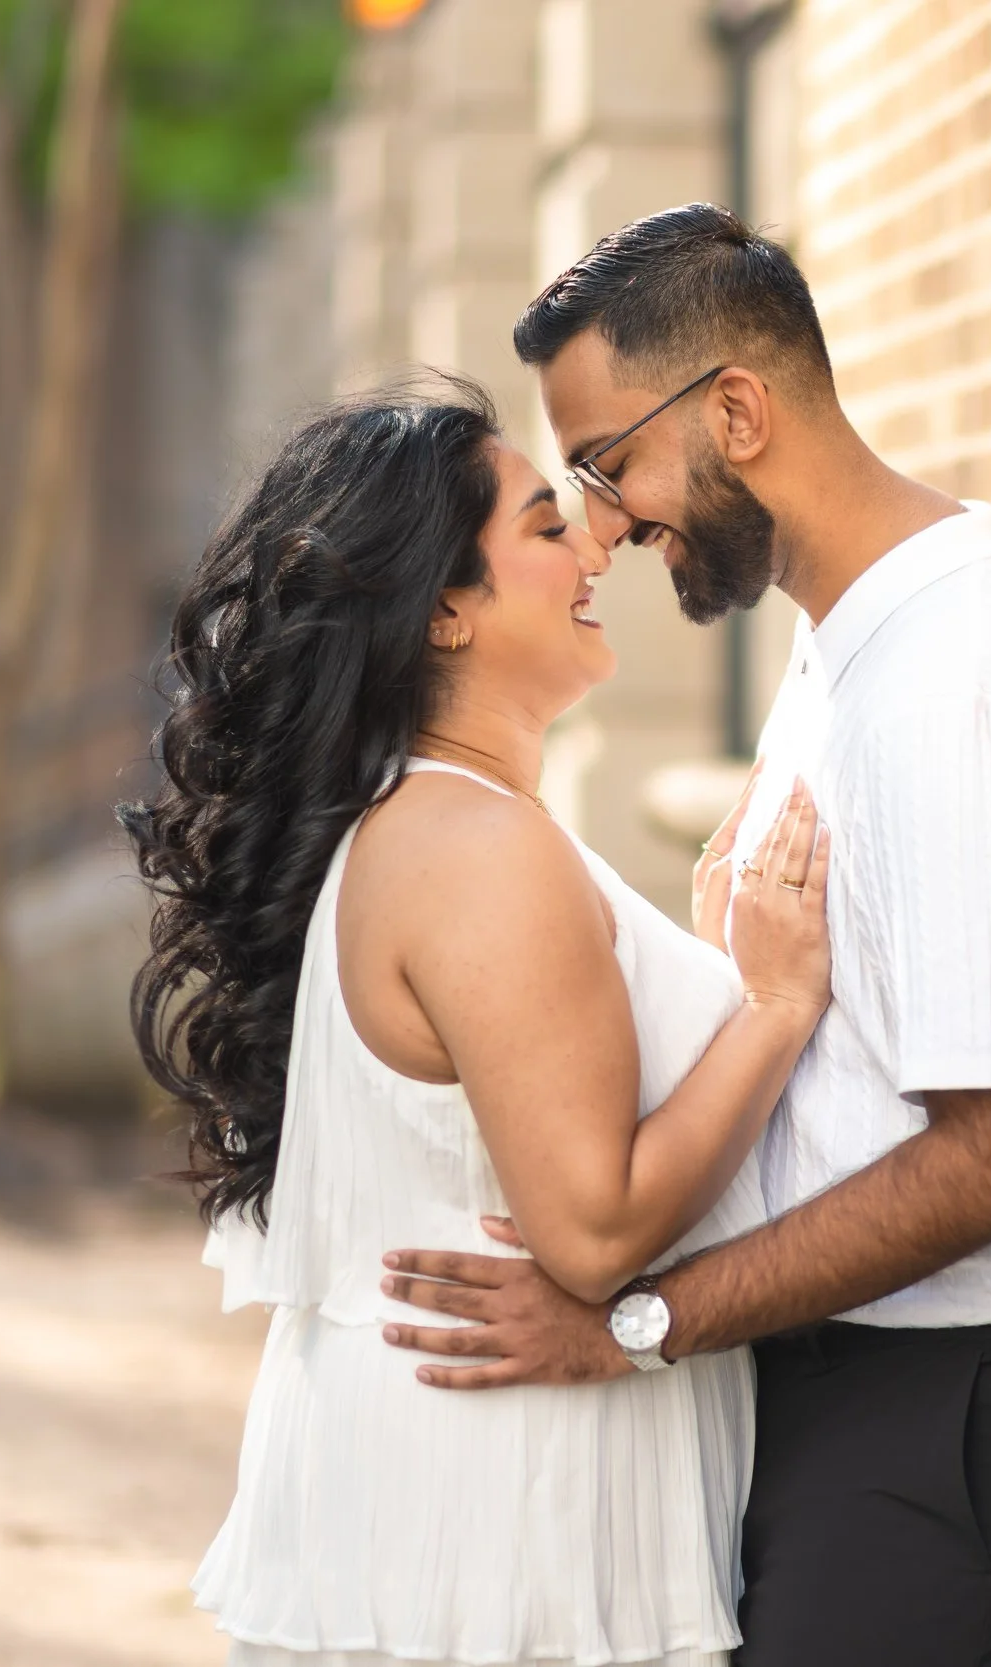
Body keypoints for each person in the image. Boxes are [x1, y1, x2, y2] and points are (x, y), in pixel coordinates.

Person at [378, 204, 991, 1667]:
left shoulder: (951, 686)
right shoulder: (848, 647)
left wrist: (639, 1320)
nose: (611, 525)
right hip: (885, 1397)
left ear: (738, 411)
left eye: (611, 465)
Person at [123, 375, 835, 1667]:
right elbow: (594, 1224)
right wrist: (776, 1006)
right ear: (445, 608)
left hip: (464, 1501)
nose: (594, 547)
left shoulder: (432, 826)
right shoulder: (476, 848)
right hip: (498, 1525)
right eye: (546, 526)